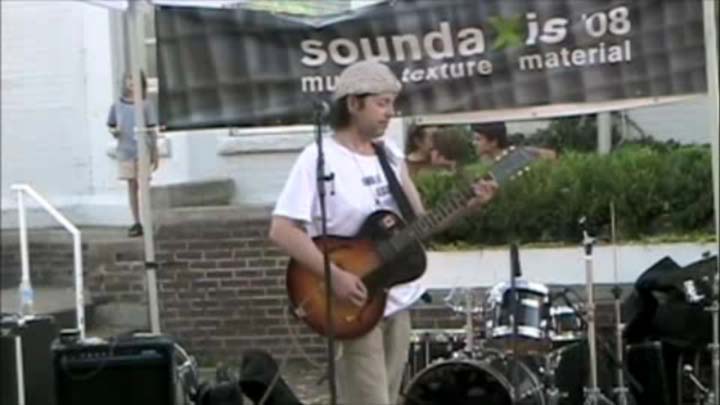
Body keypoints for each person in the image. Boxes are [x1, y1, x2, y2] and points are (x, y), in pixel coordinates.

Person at [268, 60, 497, 405]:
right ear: (353, 103)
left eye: (392, 103)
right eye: (382, 103)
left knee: (389, 398)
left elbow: (421, 223)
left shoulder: (388, 155)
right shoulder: (318, 158)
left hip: (395, 299)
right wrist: (334, 277)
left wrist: (469, 204)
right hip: (350, 300)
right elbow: (282, 230)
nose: (391, 113)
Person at [107, 71, 159, 237]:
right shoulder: (117, 105)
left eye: (135, 80)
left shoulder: (145, 105)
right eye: (129, 79)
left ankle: (148, 220)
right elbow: (111, 125)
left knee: (144, 185)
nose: (131, 83)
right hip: (126, 151)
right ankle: (136, 222)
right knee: (132, 186)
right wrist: (114, 132)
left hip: (142, 150)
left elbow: (151, 130)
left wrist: (155, 152)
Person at [472, 122, 557, 162]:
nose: (474, 143)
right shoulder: (492, 163)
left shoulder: (517, 156)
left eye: (478, 139)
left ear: (493, 142)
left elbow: (551, 154)